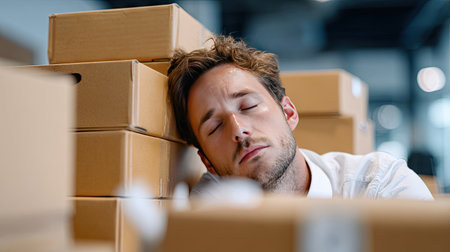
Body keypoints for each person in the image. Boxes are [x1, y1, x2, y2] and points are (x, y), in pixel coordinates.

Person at [167, 35, 433, 200]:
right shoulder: (205, 214)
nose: (238, 130)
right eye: (214, 127)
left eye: (248, 106)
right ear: (208, 163)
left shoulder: (381, 185)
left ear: (289, 112)